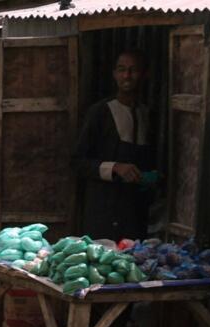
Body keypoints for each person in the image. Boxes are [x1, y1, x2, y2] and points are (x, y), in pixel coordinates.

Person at [73, 49, 156, 241]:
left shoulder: (146, 114)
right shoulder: (100, 112)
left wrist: (149, 177)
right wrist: (115, 168)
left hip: (134, 212)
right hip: (104, 210)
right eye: (121, 69)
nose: (127, 75)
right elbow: (77, 161)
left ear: (144, 74)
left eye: (133, 70)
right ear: (114, 74)